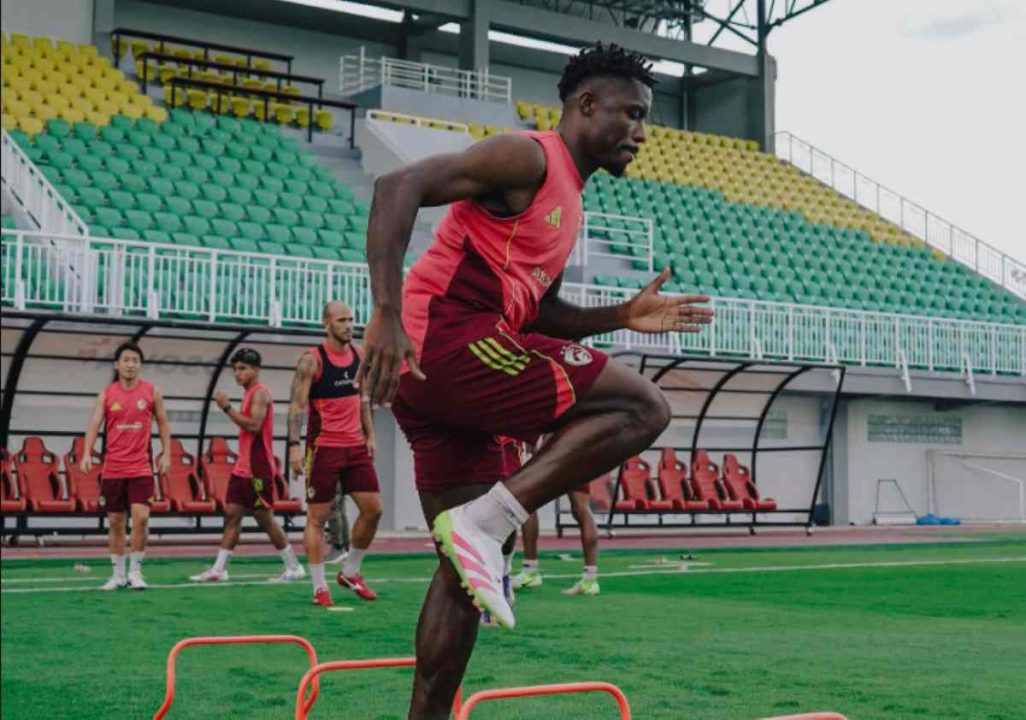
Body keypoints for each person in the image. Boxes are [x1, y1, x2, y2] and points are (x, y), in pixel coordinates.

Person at [359, 42, 713, 718]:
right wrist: (382, 313)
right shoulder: (528, 156)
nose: (641, 133)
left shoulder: (568, 201)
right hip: (447, 341)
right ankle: (487, 520)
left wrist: (621, 315)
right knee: (644, 408)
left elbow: (540, 312)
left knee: (463, 571)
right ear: (585, 106)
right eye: (631, 114)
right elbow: (395, 186)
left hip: (444, 372)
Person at [288, 301, 384, 607]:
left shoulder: (360, 356)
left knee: (374, 509)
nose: (349, 325)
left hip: (354, 446)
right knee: (317, 518)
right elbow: (296, 407)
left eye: (352, 319)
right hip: (324, 447)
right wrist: (293, 446)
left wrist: (369, 434)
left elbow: (363, 398)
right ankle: (319, 587)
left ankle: (351, 570)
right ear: (326, 324)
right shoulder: (311, 361)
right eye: (342, 320)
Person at [190, 348, 306, 584]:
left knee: (264, 518)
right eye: (235, 369)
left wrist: (226, 407)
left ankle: (294, 567)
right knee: (232, 515)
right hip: (242, 468)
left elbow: (254, 425)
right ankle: (219, 569)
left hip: (258, 468)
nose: (237, 373)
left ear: (256, 370)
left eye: (242, 368)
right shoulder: (248, 393)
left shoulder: (260, 394)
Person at [80, 342, 172, 591]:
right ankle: (118, 575)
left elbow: (163, 423)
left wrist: (167, 454)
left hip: (141, 467)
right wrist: (87, 453)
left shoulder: (152, 392)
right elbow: (94, 425)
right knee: (115, 522)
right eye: (126, 360)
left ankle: (136, 572)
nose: (130, 364)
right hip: (113, 469)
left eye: (135, 360)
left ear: (140, 365)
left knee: (141, 519)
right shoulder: (107, 394)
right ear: (117, 364)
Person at [512, 440, 600, 596]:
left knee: (528, 505)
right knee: (582, 509)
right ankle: (590, 580)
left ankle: (530, 572)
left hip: (554, 452)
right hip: (581, 449)